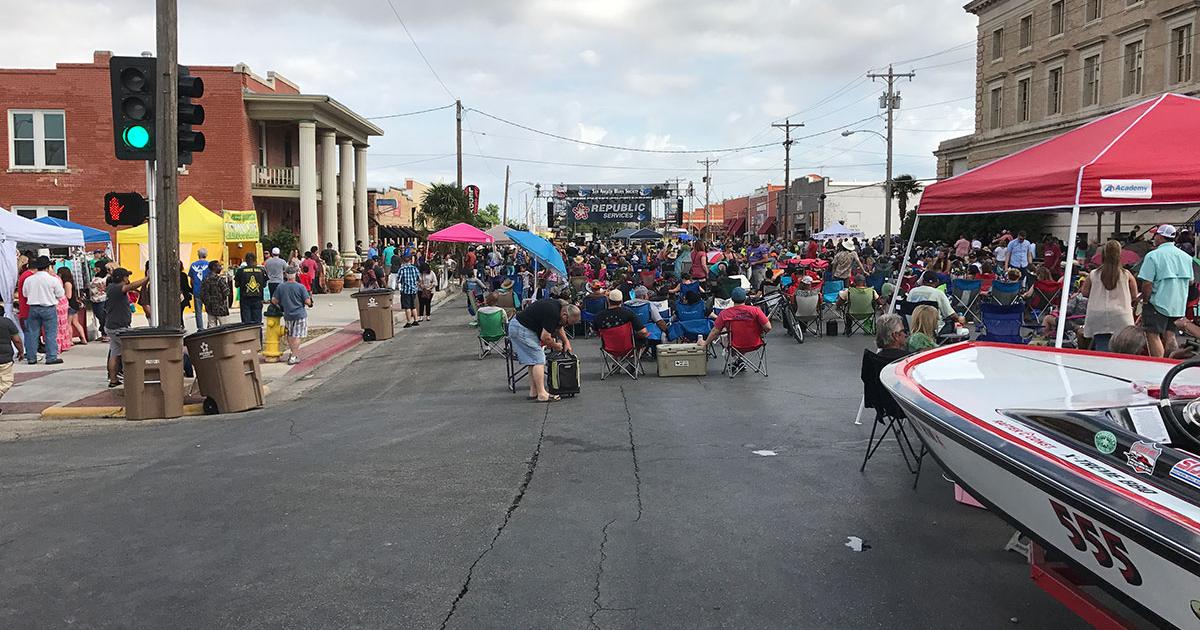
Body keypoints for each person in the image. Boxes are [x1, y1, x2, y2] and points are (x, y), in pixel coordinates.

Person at [508, 298, 581, 402]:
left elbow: (559, 326)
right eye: (568, 323)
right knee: (539, 359)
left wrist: (566, 341)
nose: (567, 325)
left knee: (532, 361)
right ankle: (542, 394)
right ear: (565, 315)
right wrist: (556, 346)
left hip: (520, 326)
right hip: (522, 329)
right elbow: (545, 337)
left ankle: (534, 392)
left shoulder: (559, 309)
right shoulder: (553, 313)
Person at [1138, 224, 1194, 358]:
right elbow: (1191, 281)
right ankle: (1172, 362)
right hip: (1178, 304)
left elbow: (1147, 283)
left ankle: (1158, 364)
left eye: (1156, 235)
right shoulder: (1186, 257)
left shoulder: (1153, 256)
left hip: (1158, 302)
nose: (1154, 237)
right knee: (1170, 334)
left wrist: (1145, 301)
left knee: (1152, 334)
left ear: (1161, 237)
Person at [1081, 240, 1138, 352]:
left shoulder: (1094, 274)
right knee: (1121, 350)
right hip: (1121, 315)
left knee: (1101, 347)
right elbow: (1134, 295)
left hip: (1097, 315)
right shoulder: (1126, 274)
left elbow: (1085, 293)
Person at [104, 267, 149, 387]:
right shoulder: (117, 288)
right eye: (127, 276)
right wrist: (147, 278)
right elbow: (132, 286)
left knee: (115, 353)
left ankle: (113, 380)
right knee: (131, 351)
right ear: (122, 278)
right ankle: (133, 378)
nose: (128, 279)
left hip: (111, 326)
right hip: (119, 327)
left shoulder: (111, 288)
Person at [22, 256, 64, 365]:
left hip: (33, 307)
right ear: (48, 267)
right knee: (50, 333)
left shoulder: (29, 279)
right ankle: (51, 357)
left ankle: (31, 357)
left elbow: (25, 294)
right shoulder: (52, 279)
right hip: (48, 307)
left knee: (32, 333)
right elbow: (60, 294)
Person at [698, 287, 771, 348]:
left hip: (734, 345)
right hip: (755, 343)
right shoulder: (756, 310)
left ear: (732, 299)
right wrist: (761, 334)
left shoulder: (724, 314)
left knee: (724, 331)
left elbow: (715, 331)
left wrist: (705, 343)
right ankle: (739, 360)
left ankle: (737, 360)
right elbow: (768, 327)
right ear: (745, 298)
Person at [271, 267, 313, 364]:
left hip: (288, 314)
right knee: (297, 335)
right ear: (295, 274)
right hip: (300, 314)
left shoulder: (281, 287)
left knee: (290, 334)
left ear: (285, 274)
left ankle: (292, 352)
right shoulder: (300, 287)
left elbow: (274, 300)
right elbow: (307, 301)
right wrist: (310, 303)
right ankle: (293, 356)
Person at [0, 304, 24, 413]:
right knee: (6, 382)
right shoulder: (6, 322)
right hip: (4, 358)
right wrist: (21, 351)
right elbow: (17, 340)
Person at [235, 252, 267, 325]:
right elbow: (264, 285)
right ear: (255, 260)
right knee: (257, 321)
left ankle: (248, 335)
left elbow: (236, 285)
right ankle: (257, 335)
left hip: (245, 298)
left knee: (246, 323)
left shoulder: (240, 271)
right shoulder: (261, 270)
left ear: (245, 260)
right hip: (258, 298)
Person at [200, 260, 232, 328]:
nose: (221, 268)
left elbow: (202, 294)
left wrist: (207, 302)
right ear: (214, 267)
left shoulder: (205, 279)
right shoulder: (219, 279)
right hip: (221, 308)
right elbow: (226, 292)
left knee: (212, 328)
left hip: (210, 308)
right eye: (219, 266)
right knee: (224, 328)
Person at [58, 267, 84, 347]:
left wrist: (61, 296)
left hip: (70, 305)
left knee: (68, 324)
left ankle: (70, 340)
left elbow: (68, 296)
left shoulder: (67, 283)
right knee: (76, 322)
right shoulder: (70, 282)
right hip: (74, 304)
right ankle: (83, 338)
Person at [397, 254, 421, 328]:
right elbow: (419, 279)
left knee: (407, 307)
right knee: (413, 306)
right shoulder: (414, 268)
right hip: (413, 290)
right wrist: (416, 284)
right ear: (411, 260)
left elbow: (398, 280)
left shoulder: (402, 269)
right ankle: (416, 320)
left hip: (405, 290)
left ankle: (408, 322)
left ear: (403, 261)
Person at [188, 248, 210, 329]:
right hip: (207, 291)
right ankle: (210, 326)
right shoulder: (209, 264)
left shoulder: (193, 265)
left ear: (198, 255)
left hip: (197, 290)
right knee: (210, 311)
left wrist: (194, 287)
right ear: (206, 255)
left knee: (198, 312)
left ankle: (200, 328)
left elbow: (191, 280)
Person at [89, 265, 110, 342]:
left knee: (103, 317)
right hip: (94, 299)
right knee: (99, 317)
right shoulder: (95, 276)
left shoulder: (107, 277)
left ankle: (106, 334)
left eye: (97, 267)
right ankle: (103, 333)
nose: (95, 269)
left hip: (103, 299)